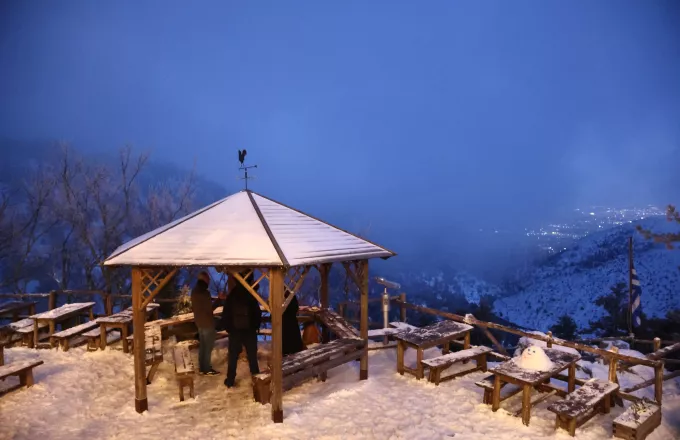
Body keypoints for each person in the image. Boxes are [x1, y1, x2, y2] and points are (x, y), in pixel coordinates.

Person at [221, 271, 262, 388]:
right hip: (249, 331)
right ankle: (256, 380)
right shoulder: (251, 294)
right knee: (252, 357)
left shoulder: (232, 294)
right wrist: (255, 327)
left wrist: (230, 329)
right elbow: (257, 313)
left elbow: (226, 313)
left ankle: (230, 380)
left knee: (233, 357)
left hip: (235, 331)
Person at [191, 271, 219, 375]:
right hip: (207, 323)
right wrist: (219, 300)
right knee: (208, 347)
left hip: (199, 322)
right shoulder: (204, 293)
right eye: (208, 279)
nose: (209, 281)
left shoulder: (194, 291)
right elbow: (209, 309)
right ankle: (206, 368)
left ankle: (202, 367)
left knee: (203, 346)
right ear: (205, 279)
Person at [282, 291, 305, 356]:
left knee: (287, 340)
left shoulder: (282, 299)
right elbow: (295, 309)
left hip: (285, 323)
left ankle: (287, 352)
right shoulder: (291, 297)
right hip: (290, 322)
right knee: (293, 340)